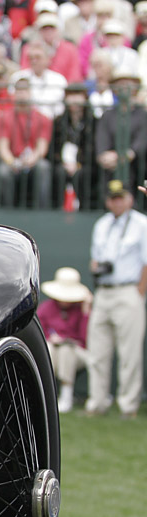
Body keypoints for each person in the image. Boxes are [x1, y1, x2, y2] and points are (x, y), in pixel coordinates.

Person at [86, 178, 147, 418]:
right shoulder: (101, 224)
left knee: (129, 353)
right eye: (113, 198)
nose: (117, 202)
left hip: (128, 291)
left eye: (121, 197)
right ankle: (97, 403)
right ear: (107, 201)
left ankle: (128, 405)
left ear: (130, 199)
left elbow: (146, 262)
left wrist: (139, 294)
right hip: (104, 292)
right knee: (97, 352)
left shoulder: (142, 223)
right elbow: (95, 260)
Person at [38, 267, 92, 412]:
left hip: (76, 353)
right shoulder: (46, 308)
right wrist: (51, 338)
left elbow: (85, 339)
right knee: (50, 348)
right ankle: (46, 395)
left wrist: (86, 313)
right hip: (52, 350)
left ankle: (66, 396)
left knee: (66, 350)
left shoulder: (81, 310)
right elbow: (39, 333)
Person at [0, 77, 54, 207]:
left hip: (32, 161)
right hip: (12, 160)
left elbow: (42, 148)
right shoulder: (4, 117)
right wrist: (12, 162)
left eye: (25, 90)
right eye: (18, 91)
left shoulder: (43, 118)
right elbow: (2, 147)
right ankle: (6, 211)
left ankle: (41, 211)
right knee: (3, 171)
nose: (22, 94)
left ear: (31, 92)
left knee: (43, 167)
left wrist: (31, 160)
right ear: (14, 94)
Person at [52, 82, 98, 208]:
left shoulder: (94, 122)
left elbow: (93, 149)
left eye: (78, 95)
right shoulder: (59, 122)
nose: (74, 99)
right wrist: (63, 163)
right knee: (58, 173)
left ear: (85, 98)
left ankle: (85, 208)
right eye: (70, 95)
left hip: (85, 165)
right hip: (62, 165)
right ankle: (57, 209)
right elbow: (53, 149)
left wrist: (78, 163)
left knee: (83, 175)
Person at [10, 39, 67, 118]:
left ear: (48, 59)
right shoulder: (18, 77)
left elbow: (59, 107)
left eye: (38, 57)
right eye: (31, 58)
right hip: (25, 122)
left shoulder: (59, 79)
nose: (34, 61)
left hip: (53, 123)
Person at [21, 13, 82, 82]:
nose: (48, 32)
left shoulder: (70, 49)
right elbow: (25, 72)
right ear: (39, 31)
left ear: (58, 30)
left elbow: (74, 75)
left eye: (52, 28)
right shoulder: (29, 49)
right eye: (45, 29)